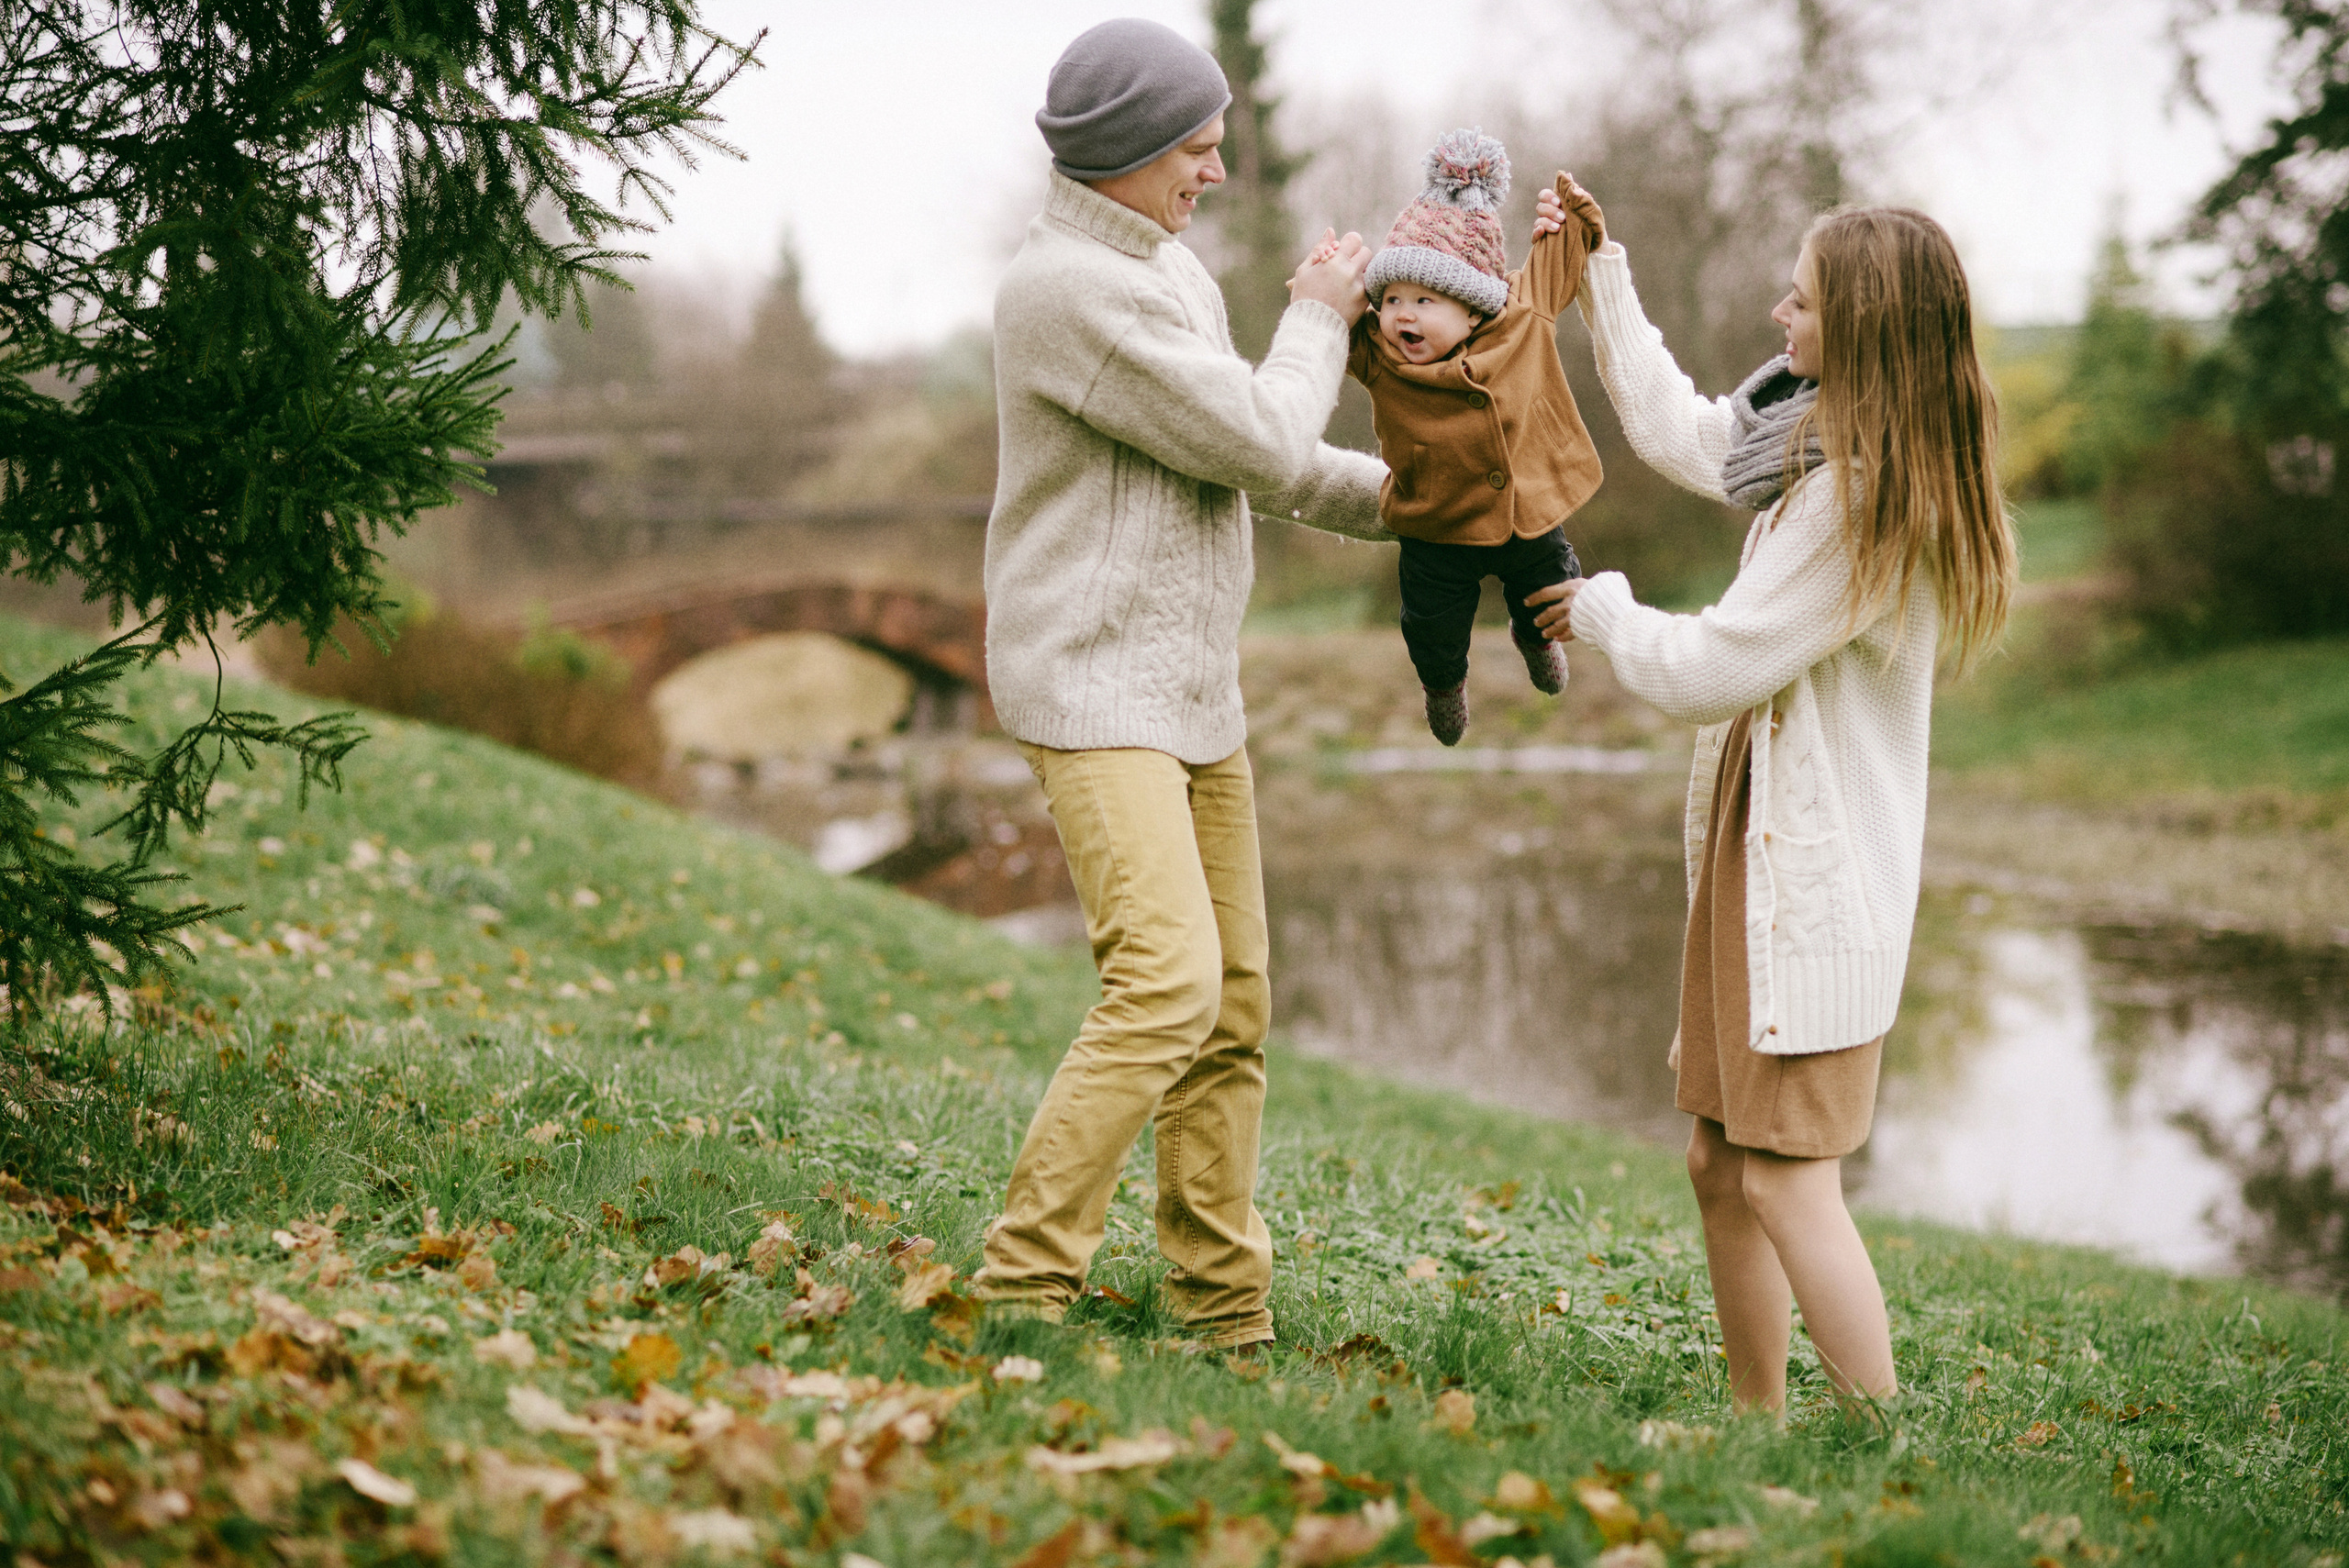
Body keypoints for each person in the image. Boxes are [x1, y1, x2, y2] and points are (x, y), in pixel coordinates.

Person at [1529, 183, 2017, 1413]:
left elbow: (1712, 667)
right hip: (1759, 868)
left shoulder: (1859, 501)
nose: (1775, 312)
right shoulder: (1809, 440)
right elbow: (1687, 434)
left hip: (1815, 892)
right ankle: (1760, 1422)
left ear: (1859, 327)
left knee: (1789, 1180)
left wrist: (1599, 611)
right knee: (1719, 1162)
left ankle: (1874, 1443)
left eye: (1798, 300)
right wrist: (1600, 276)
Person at [971, 17, 1393, 1351]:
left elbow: (1246, 457)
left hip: (1193, 693)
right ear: (1130, 150)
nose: (1215, 172)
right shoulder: (1065, 291)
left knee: (1233, 1006)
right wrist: (1317, 316)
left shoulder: (1166, 271)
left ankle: (1223, 1315)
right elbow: (1265, 436)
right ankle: (1020, 1290)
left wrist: (1431, 508)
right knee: (1166, 985)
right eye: (1197, 151)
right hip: (1094, 688)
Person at [1319, 129, 1606, 745]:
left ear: (1474, 307)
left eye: (1425, 300)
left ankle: (1537, 643)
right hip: (1436, 525)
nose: (1404, 314)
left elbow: (1561, 257)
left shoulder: (1520, 319)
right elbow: (1325, 321)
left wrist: (1570, 216)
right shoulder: (1380, 355)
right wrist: (1321, 282)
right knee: (1431, 627)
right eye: (1393, 298)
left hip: (1525, 511)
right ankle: (1444, 687)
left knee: (1550, 593)